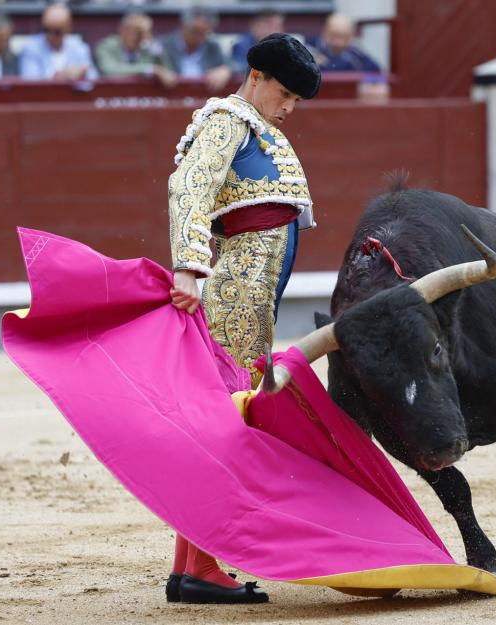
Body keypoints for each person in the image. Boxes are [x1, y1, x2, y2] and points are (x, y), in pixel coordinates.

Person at [165, 33, 321, 605]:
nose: (288, 108)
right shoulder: (228, 120)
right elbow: (190, 188)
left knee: (222, 419)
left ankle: (190, 566)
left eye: (296, 101)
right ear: (254, 75)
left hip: (251, 296)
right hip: (233, 291)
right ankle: (202, 569)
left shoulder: (259, 127)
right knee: (226, 422)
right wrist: (187, 265)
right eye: (283, 93)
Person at [308, 13, 388, 101]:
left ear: (351, 36)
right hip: (316, 101)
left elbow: (376, 73)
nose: (338, 42)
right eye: (333, 35)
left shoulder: (356, 55)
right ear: (325, 32)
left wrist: (367, 83)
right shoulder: (309, 49)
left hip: (348, 102)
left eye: (344, 37)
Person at [94, 12, 176, 89]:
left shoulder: (148, 47)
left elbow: (168, 73)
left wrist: (151, 42)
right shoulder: (106, 46)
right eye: (135, 31)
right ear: (122, 30)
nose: (138, 36)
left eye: (141, 32)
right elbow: (109, 71)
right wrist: (148, 69)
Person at [160, 6, 231, 92]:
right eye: (195, 31)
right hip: (171, 99)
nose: (199, 38)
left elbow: (238, 65)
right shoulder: (165, 46)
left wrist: (226, 70)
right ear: (183, 26)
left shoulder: (212, 46)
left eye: (204, 32)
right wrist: (156, 70)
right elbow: (145, 65)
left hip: (204, 100)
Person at [19, 3, 98, 81]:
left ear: (68, 29)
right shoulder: (31, 48)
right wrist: (57, 77)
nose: (51, 36)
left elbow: (93, 78)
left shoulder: (79, 47)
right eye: (46, 30)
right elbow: (29, 82)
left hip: (73, 93)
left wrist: (82, 74)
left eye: (57, 32)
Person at [230, 8, 284, 74]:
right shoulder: (241, 46)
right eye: (268, 26)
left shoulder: (286, 46)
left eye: (277, 26)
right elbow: (240, 68)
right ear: (254, 26)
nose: (273, 31)